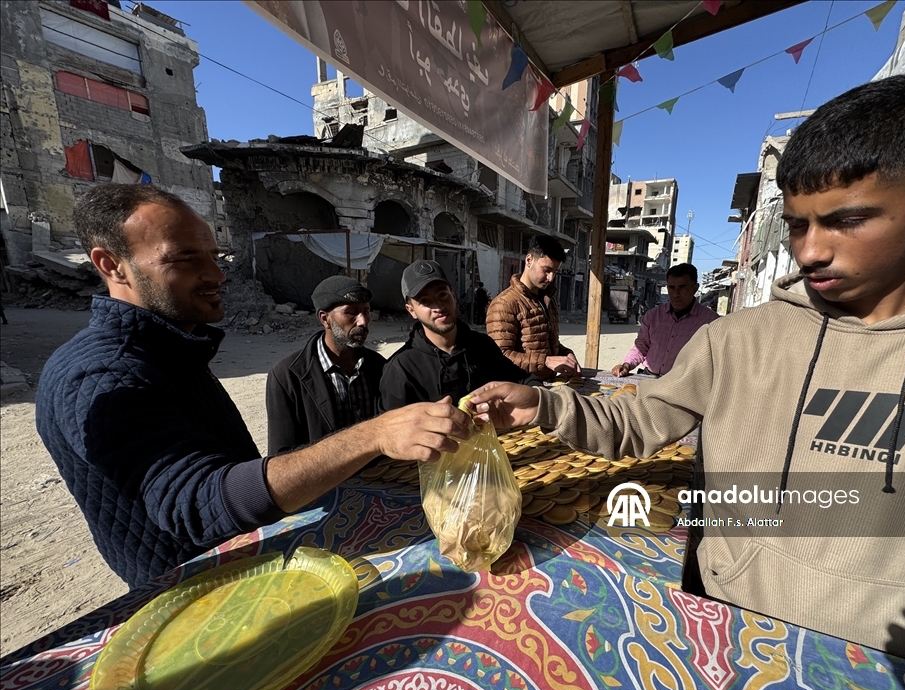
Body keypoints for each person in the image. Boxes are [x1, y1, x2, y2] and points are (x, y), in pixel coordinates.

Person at [471, 75, 905, 690]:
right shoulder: (736, 340)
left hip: (898, 679)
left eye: (846, 219)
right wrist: (545, 406)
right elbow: (641, 420)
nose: (812, 249)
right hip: (721, 636)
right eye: (797, 224)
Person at [36, 185, 470, 588]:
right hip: (195, 596)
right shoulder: (101, 375)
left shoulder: (169, 351)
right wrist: (375, 434)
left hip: (246, 567)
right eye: (185, 259)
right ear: (112, 265)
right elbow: (200, 503)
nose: (215, 274)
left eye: (213, 255)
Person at [380, 260, 540, 410]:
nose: (438, 306)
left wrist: (540, 394)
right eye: (425, 301)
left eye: (442, 295)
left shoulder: (482, 346)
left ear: (453, 295)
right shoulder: (400, 369)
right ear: (411, 310)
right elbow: (392, 431)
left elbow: (521, 380)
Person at [266, 276, 384, 456]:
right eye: (351, 312)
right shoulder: (287, 377)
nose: (363, 321)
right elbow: (282, 456)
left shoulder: (379, 366)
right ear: (325, 318)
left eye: (366, 311)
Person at [486, 235, 580, 380]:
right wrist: (546, 361)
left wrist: (566, 353)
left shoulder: (548, 299)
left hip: (546, 385)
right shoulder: (504, 304)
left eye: (554, 272)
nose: (550, 278)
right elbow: (499, 356)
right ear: (529, 260)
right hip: (519, 389)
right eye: (546, 270)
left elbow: (544, 343)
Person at [612, 264, 718, 377]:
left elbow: (715, 359)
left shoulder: (711, 322)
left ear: (695, 288)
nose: (676, 294)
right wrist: (627, 365)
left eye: (682, 287)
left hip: (683, 385)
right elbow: (642, 346)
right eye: (671, 288)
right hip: (649, 378)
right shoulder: (653, 316)